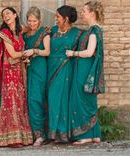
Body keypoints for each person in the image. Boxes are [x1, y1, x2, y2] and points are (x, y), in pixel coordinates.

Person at [66, 0, 105, 145]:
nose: (81, 13)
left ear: (92, 13)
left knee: (81, 100)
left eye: (84, 11)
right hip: (85, 68)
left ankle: (86, 135)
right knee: (88, 100)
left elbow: (89, 52)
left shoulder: (94, 31)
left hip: (85, 69)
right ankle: (95, 134)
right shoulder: (93, 30)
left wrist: (73, 53)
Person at [0, 7, 33, 147]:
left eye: (8, 13)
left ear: (15, 15)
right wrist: (27, 54)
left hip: (19, 70)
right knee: (10, 101)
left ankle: (22, 137)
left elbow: (28, 28)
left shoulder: (19, 31)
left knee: (20, 100)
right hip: (9, 70)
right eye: (3, 15)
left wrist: (37, 26)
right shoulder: (5, 33)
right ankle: (10, 138)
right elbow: (12, 54)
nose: (5, 16)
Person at [47, 5, 82, 143]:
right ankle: (54, 133)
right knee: (53, 100)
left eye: (58, 17)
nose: (55, 19)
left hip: (66, 70)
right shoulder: (52, 31)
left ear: (66, 19)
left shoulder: (77, 33)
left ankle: (63, 134)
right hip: (51, 70)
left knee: (64, 101)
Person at [22, 6, 50, 146]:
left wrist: (34, 51)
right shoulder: (26, 35)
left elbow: (47, 51)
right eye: (29, 20)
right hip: (28, 68)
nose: (32, 23)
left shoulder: (44, 33)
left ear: (39, 20)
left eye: (34, 21)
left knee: (36, 99)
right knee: (28, 100)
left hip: (39, 67)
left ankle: (40, 135)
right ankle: (31, 134)